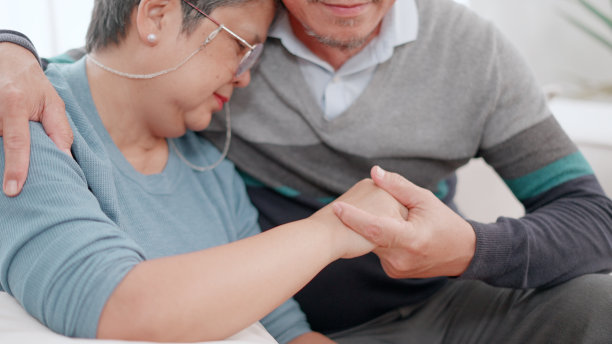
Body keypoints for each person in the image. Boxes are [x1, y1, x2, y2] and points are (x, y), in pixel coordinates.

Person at [2, 0, 612, 343]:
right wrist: (11, 48)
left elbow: (592, 219)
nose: (243, 75)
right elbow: (107, 72)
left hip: (443, 305)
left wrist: (470, 248)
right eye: (242, 47)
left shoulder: (205, 156)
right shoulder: (44, 126)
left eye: (251, 52)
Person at [0, 0, 412, 343]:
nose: (246, 76)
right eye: (242, 47)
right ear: (157, 16)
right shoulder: (27, 118)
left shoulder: (210, 165)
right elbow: (105, 301)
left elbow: (283, 326)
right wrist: (334, 227)